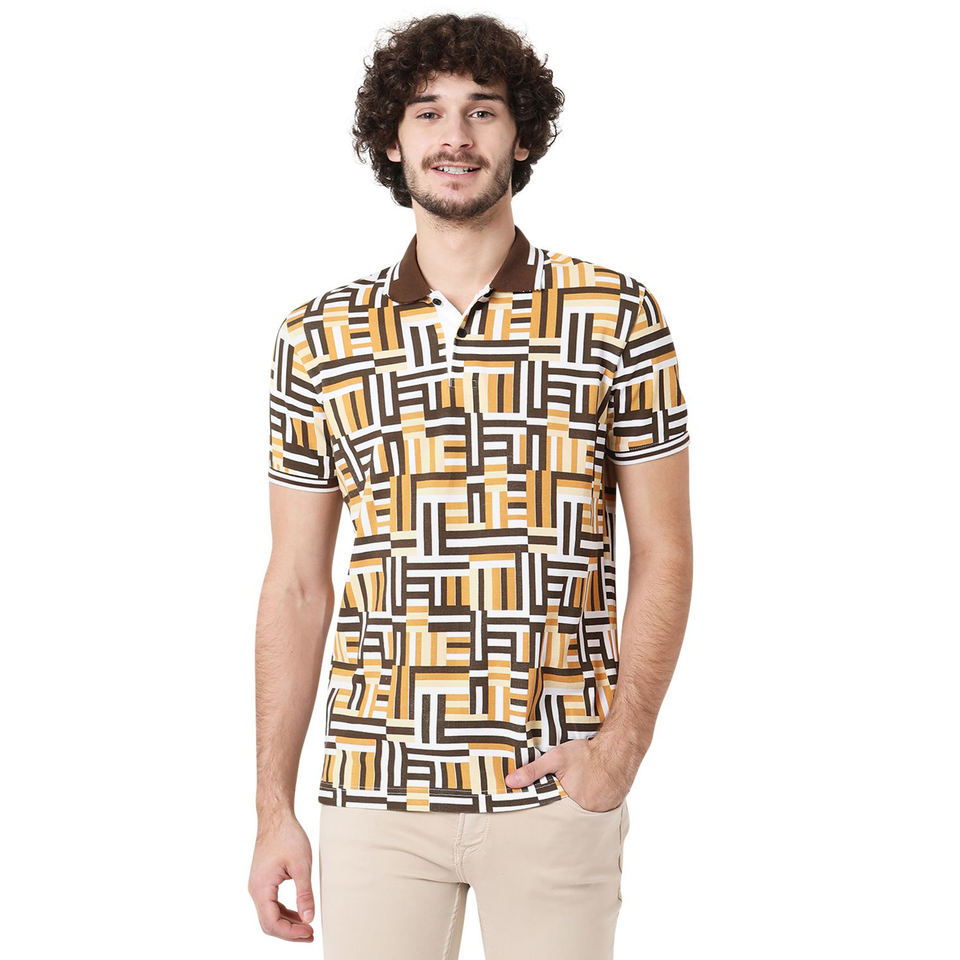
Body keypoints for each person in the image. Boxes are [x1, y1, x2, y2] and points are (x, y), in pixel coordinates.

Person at [248, 13, 692, 959]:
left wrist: (618, 754)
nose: (455, 136)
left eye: (483, 111)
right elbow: (295, 583)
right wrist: (272, 808)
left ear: (522, 135)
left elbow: (666, 551)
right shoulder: (317, 338)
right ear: (392, 140)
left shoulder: (616, 315)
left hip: (555, 785)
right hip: (374, 792)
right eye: (428, 112)